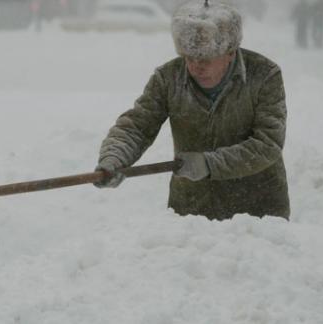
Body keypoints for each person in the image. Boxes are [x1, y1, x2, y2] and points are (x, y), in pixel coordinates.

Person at [93, 1, 290, 221]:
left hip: (257, 213)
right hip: (192, 213)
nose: (196, 66)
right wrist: (114, 158)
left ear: (231, 52)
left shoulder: (264, 76)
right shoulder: (168, 78)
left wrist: (209, 164)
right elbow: (137, 126)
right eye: (188, 57)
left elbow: (268, 144)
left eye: (205, 59)